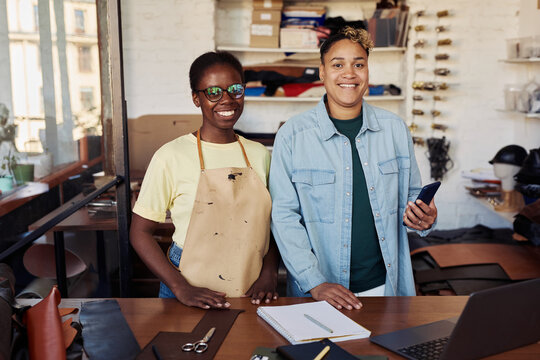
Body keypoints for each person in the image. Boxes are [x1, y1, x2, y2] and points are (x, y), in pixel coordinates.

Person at [269, 27, 438, 310]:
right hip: (318, 292)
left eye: (358, 64)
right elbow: (284, 217)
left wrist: (425, 218)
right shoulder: (293, 136)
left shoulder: (394, 130)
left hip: (386, 287)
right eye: (338, 65)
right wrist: (315, 282)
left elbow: (411, 198)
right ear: (322, 73)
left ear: (368, 71)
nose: (349, 73)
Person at [130, 51, 280, 309]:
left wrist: (269, 273)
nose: (227, 100)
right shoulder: (170, 156)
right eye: (213, 92)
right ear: (196, 98)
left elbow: (275, 223)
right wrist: (180, 287)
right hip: (188, 281)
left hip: (250, 280)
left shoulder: (259, 154)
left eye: (235, 89)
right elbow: (140, 233)